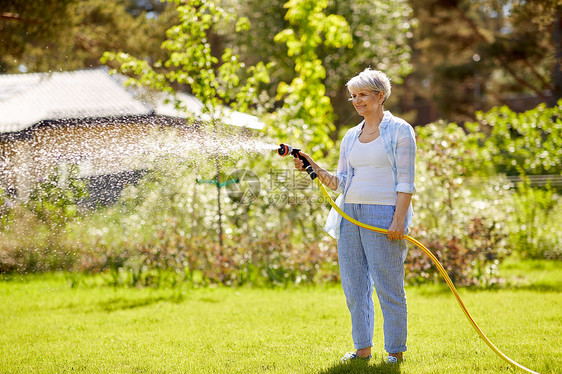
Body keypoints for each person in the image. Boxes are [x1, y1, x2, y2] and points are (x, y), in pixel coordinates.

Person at [293, 68, 416, 364]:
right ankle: (362, 349)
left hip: (383, 213)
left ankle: (395, 353)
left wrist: (398, 220)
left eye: (363, 94)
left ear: (380, 96)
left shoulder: (400, 130)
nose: (357, 100)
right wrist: (312, 165)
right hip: (349, 214)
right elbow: (341, 182)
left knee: (388, 286)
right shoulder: (351, 136)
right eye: (354, 96)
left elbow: (406, 182)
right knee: (354, 286)